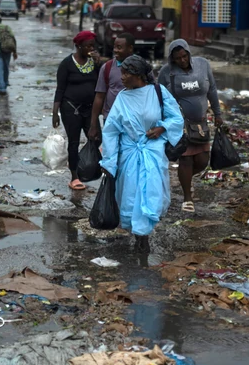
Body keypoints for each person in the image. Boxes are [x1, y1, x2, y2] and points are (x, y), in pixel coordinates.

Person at [101, 55, 184, 252]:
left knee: (151, 192)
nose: (122, 77)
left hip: (152, 152)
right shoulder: (122, 97)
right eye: (121, 72)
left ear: (138, 75)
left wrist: (161, 128)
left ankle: (144, 234)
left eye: (126, 73)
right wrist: (109, 162)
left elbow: (176, 117)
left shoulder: (158, 92)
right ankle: (137, 233)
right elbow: (111, 131)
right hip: (129, 154)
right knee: (130, 194)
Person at [158, 39, 223, 213]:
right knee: (185, 159)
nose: (182, 60)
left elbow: (212, 90)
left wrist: (217, 114)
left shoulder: (203, 65)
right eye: (178, 58)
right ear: (172, 59)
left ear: (189, 53)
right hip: (180, 124)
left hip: (201, 124)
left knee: (202, 161)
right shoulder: (166, 72)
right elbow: (159, 97)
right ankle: (187, 198)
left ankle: (185, 180)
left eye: (184, 56)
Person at [54, 31, 101, 190]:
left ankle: (75, 160)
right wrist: (55, 113)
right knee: (73, 142)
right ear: (78, 46)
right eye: (88, 46)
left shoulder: (94, 63)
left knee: (96, 138)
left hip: (90, 109)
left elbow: (101, 85)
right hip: (70, 108)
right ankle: (74, 176)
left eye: (93, 46)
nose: (91, 49)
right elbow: (60, 89)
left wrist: (99, 63)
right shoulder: (67, 64)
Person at [89, 34, 140, 141]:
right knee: (111, 154)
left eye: (119, 47)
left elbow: (151, 93)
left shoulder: (142, 67)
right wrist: (93, 124)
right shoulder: (107, 68)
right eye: (114, 47)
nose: (115, 50)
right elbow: (99, 96)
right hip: (111, 119)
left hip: (135, 120)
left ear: (130, 48)